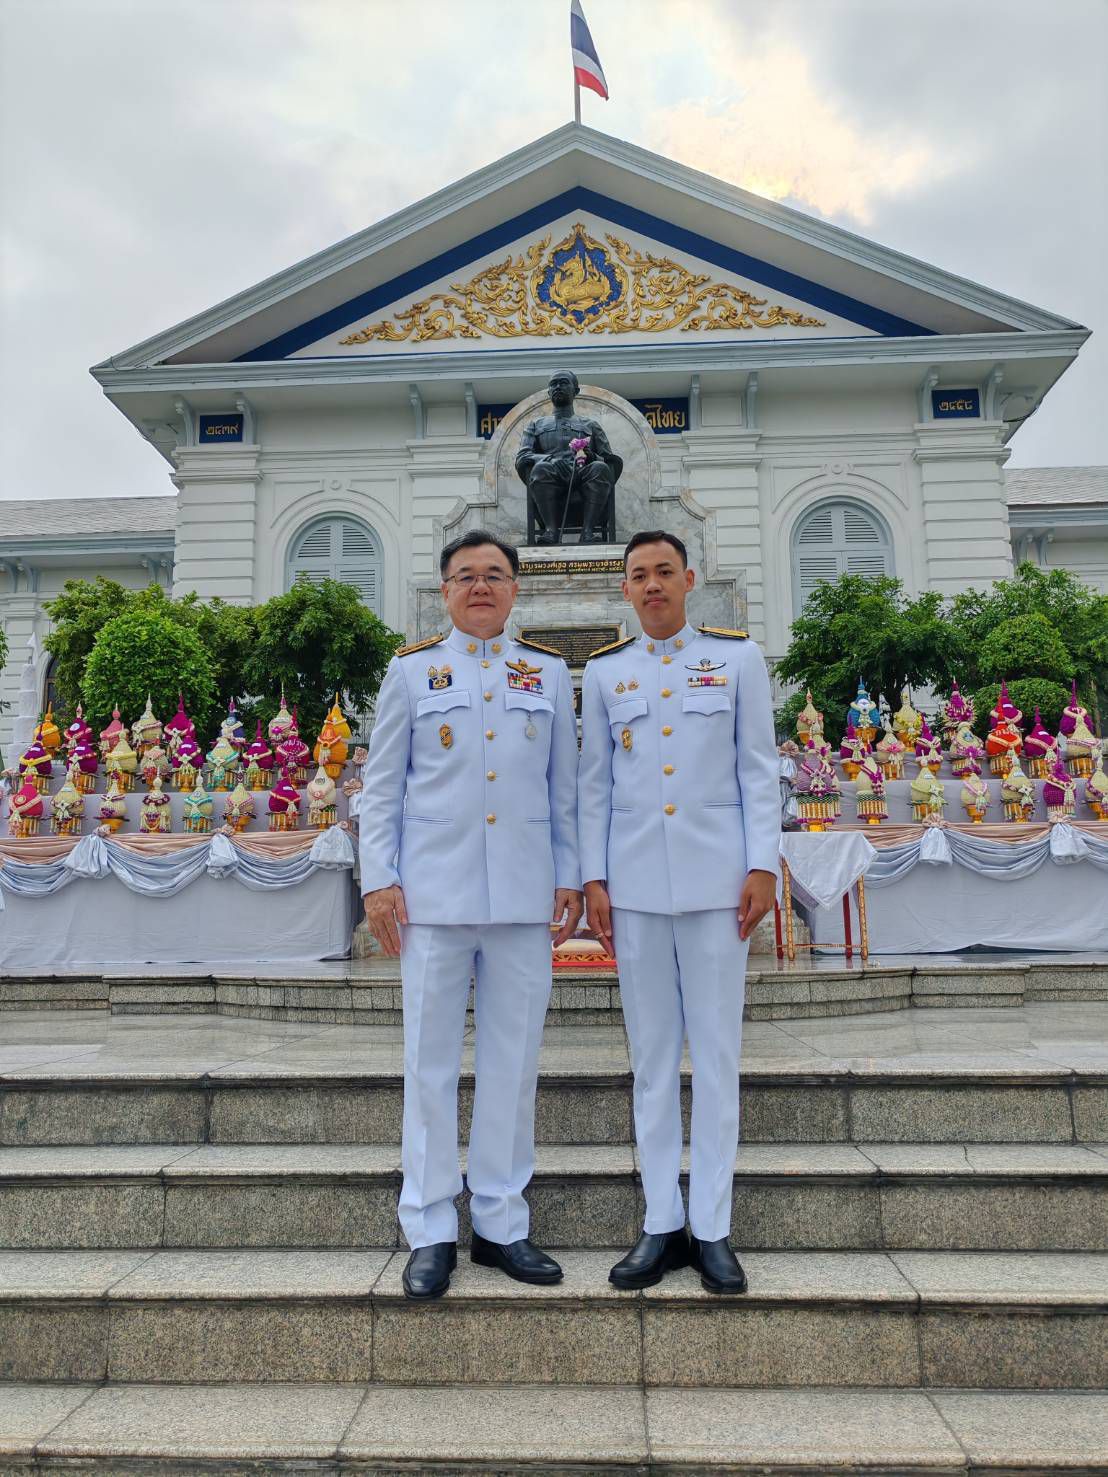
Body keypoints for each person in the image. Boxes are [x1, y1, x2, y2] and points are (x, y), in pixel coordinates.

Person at [360, 529, 583, 1299]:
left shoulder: (546, 672)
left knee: (512, 1064)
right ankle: (429, 1228)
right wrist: (379, 881)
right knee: (428, 1064)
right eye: (465, 575)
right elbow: (383, 787)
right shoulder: (411, 671)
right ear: (445, 591)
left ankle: (500, 1221)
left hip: (522, 895)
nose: (480, 585)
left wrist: (570, 875)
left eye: (494, 574)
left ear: (515, 589)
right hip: (433, 896)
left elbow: (563, 788)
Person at [578, 531, 780, 1294]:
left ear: (689, 579)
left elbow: (758, 769)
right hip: (634, 888)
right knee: (653, 1060)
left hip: (719, 885)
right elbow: (595, 783)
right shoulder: (606, 671)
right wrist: (594, 877)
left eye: (665, 570)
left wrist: (763, 863)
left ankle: (713, 1226)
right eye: (640, 574)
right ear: (626, 589)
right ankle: (661, 1219)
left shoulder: (737, 658)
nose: (653, 584)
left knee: (718, 1057)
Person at [515, 370, 622, 544]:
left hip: (582, 474)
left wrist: (592, 456)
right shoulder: (535, 425)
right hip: (551, 475)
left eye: (563, 383)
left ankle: (587, 532)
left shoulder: (591, 425)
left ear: (576, 390)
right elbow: (523, 456)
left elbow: (609, 461)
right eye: (553, 384)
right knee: (541, 468)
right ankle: (551, 531)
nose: (558, 387)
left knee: (600, 468)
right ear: (549, 392)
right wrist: (550, 460)